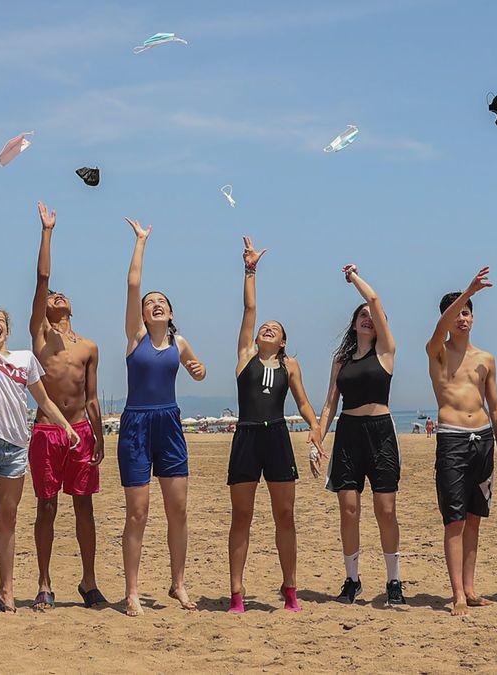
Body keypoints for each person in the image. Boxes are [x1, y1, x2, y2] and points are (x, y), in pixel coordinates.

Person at [0, 237, 79, 617]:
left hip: (13, 449)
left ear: (7, 330)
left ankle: (8, 590)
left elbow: (43, 400)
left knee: (8, 520)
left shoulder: (24, 358)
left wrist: (67, 428)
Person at [227, 237, 324, 613]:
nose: (266, 328)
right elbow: (249, 307)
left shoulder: (290, 366)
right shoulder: (245, 356)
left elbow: (302, 403)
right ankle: (237, 594)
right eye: (263, 327)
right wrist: (250, 269)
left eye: (275, 328)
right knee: (242, 516)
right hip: (247, 436)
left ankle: (290, 589)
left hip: (278, 437)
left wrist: (316, 430)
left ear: (283, 342)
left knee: (285, 515)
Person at [120, 218, 206, 617]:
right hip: (136, 425)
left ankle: (178, 584)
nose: (154, 303)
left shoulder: (179, 341)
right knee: (138, 512)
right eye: (149, 302)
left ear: (170, 313)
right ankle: (133, 590)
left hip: (169, 424)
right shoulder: (135, 337)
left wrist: (198, 369)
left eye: (161, 302)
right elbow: (134, 283)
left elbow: (194, 365)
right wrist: (141, 242)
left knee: (178, 510)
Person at [26, 202, 107, 611]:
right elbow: (42, 277)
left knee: (84, 506)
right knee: (46, 506)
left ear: (71, 309)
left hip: (82, 431)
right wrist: (47, 231)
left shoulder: (88, 346)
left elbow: (92, 396)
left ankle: (89, 582)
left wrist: (101, 436)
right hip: (46, 429)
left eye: (62, 296)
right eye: (51, 296)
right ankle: (44, 582)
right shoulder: (41, 336)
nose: (56, 296)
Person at [426, 267, 497, 616]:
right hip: (452, 440)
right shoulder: (437, 351)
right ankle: (457, 594)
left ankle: (471, 588)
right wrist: (468, 292)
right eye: (456, 312)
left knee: (475, 519)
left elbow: (496, 407)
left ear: (474, 319)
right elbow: (439, 328)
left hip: (483, 442)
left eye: (467, 312)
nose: (462, 317)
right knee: (455, 520)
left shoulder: (486, 359)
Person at [315, 264, 404, 607]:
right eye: (361, 315)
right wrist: (318, 438)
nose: (367, 317)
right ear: (353, 323)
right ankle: (352, 579)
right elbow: (328, 404)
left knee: (386, 509)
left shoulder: (386, 352)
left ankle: (394, 580)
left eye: (371, 315)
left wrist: (353, 277)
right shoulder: (341, 360)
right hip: (348, 435)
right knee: (349, 510)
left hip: (380, 434)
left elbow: (375, 298)